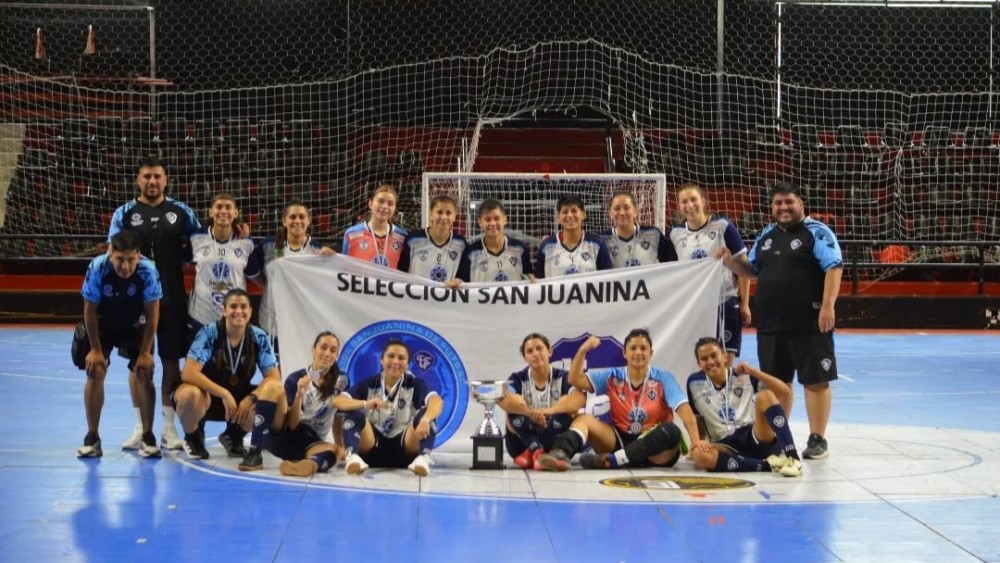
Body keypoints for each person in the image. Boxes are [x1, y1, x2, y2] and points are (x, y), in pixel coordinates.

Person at [722, 181, 843, 460]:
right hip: (771, 324)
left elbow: (834, 268)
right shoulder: (766, 235)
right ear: (772, 208)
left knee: (816, 380)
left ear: (801, 204)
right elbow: (752, 271)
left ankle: (817, 439)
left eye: (789, 202)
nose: (783, 207)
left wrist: (827, 306)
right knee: (777, 383)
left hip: (809, 323)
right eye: (778, 203)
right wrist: (731, 263)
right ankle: (779, 436)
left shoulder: (817, 232)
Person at [108, 156, 200, 451]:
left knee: (171, 361)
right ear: (138, 180)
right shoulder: (124, 213)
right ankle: (140, 426)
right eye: (146, 176)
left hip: (172, 298)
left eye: (157, 176)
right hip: (134, 303)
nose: (152, 182)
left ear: (165, 180)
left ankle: (168, 428)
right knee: (138, 363)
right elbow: (113, 254)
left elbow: (203, 244)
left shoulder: (182, 212)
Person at [537, 329, 702, 471]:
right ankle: (560, 455)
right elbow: (575, 379)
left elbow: (684, 410)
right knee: (584, 419)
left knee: (672, 431)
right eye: (633, 348)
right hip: (621, 440)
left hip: (655, 452)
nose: (638, 352)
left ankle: (613, 461)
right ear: (625, 353)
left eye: (643, 348)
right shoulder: (613, 375)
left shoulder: (663, 378)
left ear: (651, 353)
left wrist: (696, 442)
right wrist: (583, 350)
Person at [75, 230, 162, 459]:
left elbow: (153, 312)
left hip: (136, 322)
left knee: (144, 372)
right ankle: (92, 438)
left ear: (138, 256)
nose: (125, 267)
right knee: (95, 371)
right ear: (110, 252)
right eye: (120, 260)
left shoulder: (148, 270)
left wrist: (145, 352)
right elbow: (89, 309)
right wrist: (95, 349)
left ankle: (148, 436)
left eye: (131, 260)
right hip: (105, 322)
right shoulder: (97, 268)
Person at [173, 289, 282, 471]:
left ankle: (234, 436)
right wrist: (223, 393)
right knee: (189, 395)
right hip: (207, 397)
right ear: (224, 310)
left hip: (239, 402)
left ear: (250, 311)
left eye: (243, 307)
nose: (238, 311)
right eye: (233, 306)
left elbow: (273, 378)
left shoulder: (258, 336)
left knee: (272, 400)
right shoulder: (209, 333)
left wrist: (251, 398)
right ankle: (193, 435)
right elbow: (188, 373)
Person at [686, 337, 802, 477]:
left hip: (754, 435)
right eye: (704, 359)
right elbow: (697, 416)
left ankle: (793, 457)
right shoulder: (694, 383)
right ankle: (766, 465)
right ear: (699, 363)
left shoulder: (743, 376)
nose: (710, 362)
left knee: (765, 395)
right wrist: (698, 441)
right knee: (698, 455)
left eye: (714, 355)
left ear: (724, 356)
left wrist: (753, 372)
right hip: (724, 444)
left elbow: (785, 393)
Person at [332, 339, 443, 476]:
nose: (395, 362)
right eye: (391, 356)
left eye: (401, 358)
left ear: (407, 364)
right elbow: (338, 401)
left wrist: (425, 419)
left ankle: (423, 458)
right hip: (372, 449)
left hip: (405, 450)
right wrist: (365, 404)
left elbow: (437, 401)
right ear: (381, 360)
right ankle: (352, 457)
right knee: (353, 412)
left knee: (427, 413)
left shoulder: (415, 384)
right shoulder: (369, 383)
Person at [670, 183, 752, 362]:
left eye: (693, 199)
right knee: (699, 360)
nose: (689, 205)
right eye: (684, 201)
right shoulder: (675, 234)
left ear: (703, 201)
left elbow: (743, 266)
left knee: (725, 362)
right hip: (694, 307)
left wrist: (745, 303)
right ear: (679, 206)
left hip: (725, 303)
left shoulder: (722, 226)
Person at [256, 331, 348, 477]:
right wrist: (299, 394)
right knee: (273, 387)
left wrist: (340, 444)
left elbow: (339, 414)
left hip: (310, 443)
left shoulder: (341, 380)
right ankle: (255, 449)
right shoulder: (296, 378)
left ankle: (308, 465)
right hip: (284, 435)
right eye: (323, 347)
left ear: (337, 356)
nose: (327, 353)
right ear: (313, 349)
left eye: (333, 350)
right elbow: (292, 425)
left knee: (336, 451)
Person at [246, 201, 335, 348]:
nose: (297, 221)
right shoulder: (268, 245)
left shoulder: (318, 250)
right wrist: (269, 284)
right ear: (284, 220)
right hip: (270, 324)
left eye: (302, 217)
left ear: (308, 220)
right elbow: (251, 272)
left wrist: (327, 261)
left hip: (302, 325)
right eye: (293, 217)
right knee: (270, 369)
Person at [496, 333, 587, 470]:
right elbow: (503, 400)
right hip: (521, 443)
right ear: (525, 357)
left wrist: (548, 412)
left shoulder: (563, 376)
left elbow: (580, 399)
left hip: (554, 441)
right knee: (515, 404)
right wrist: (530, 413)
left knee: (569, 407)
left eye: (539, 348)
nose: (535, 354)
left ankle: (534, 455)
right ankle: (538, 452)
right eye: (530, 351)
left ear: (550, 351)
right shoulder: (518, 378)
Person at [187, 193, 255, 339]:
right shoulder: (195, 238)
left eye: (228, 207)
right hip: (200, 316)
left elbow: (255, 274)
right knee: (197, 362)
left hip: (234, 318)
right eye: (218, 207)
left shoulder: (247, 243)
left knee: (232, 361)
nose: (223, 211)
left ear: (235, 213)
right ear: (211, 212)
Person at [452, 199, 534, 284]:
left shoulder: (520, 249)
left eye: (496, 218)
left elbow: (527, 278)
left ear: (505, 219)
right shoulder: (470, 253)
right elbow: (462, 281)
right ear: (480, 222)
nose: (493, 223)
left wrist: (531, 279)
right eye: (487, 219)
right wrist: (457, 283)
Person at [535, 195, 613, 278]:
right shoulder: (546, 246)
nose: (569, 215)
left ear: (583, 214)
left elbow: (608, 280)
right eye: (565, 212)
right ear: (558, 217)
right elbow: (538, 281)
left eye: (574, 211)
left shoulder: (598, 245)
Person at [397, 194, 468, 282]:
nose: (444, 217)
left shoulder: (461, 243)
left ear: (454, 217)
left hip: (447, 295)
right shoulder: (413, 239)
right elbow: (400, 272)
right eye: (439, 212)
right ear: (431, 214)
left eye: (448, 213)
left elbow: (463, 276)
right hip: (417, 294)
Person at [341, 182, 408, 269]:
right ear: (371, 204)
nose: (385, 206)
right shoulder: (351, 234)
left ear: (395, 208)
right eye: (381, 201)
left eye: (390, 204)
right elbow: (342, 266)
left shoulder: (402, 237)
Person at [602, 190, 677, 267]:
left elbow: (673, 265)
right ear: (610, 213)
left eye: (626, 208)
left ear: (635, 211)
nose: (622, 213)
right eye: (617, 209)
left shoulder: (654, 235)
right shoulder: (601, 241)